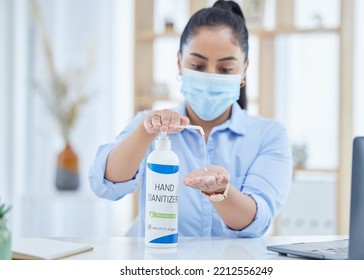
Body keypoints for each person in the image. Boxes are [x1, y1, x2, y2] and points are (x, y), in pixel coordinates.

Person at [89, 0, 292, 237]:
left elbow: (257, 221)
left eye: (225, 69)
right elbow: (104, 186)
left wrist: (220, 191)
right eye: (198, 64)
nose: (210, 76)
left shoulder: (268, 136)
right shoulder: (150, 125)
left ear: (244, 69)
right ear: (179, 62)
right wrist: (146, 133)